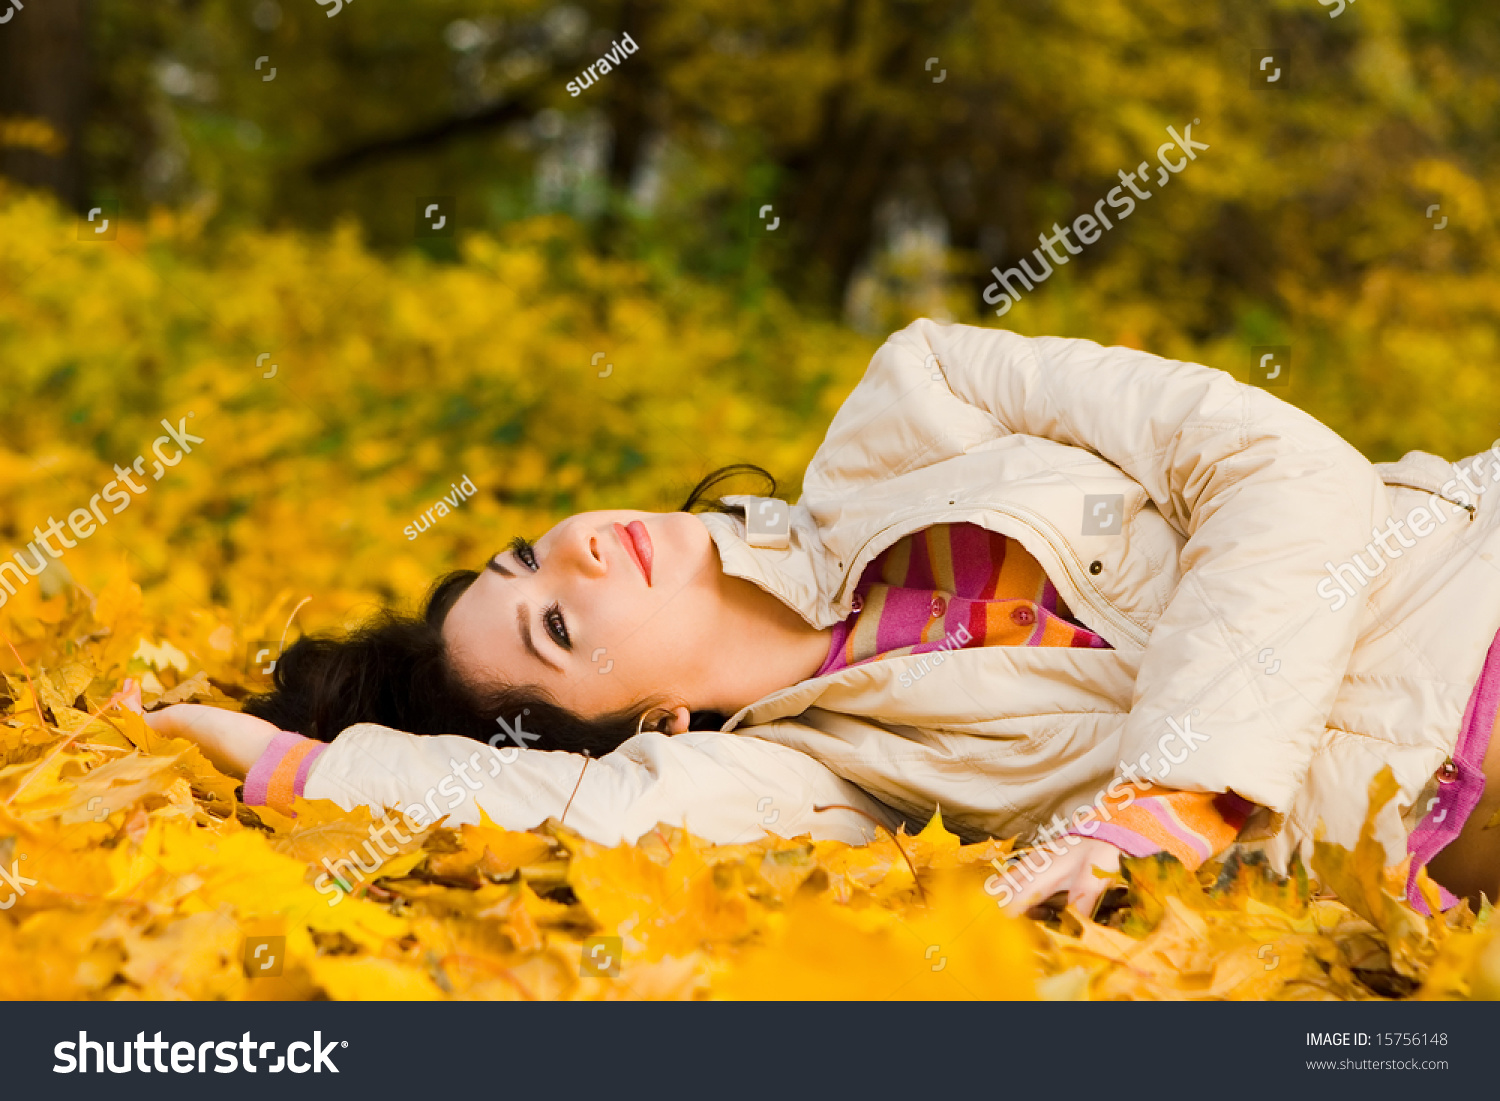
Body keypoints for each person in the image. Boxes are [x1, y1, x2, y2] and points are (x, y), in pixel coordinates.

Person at [141, 318, 1500, 920]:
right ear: (653, 722)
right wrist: (303, 766)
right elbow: (584, 815)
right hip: (1447, 830)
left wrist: (1172, 792)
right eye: (559, 623)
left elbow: (1290, 469)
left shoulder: (925, 396)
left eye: (520, 554)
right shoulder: (822, 775)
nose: (574, 550)